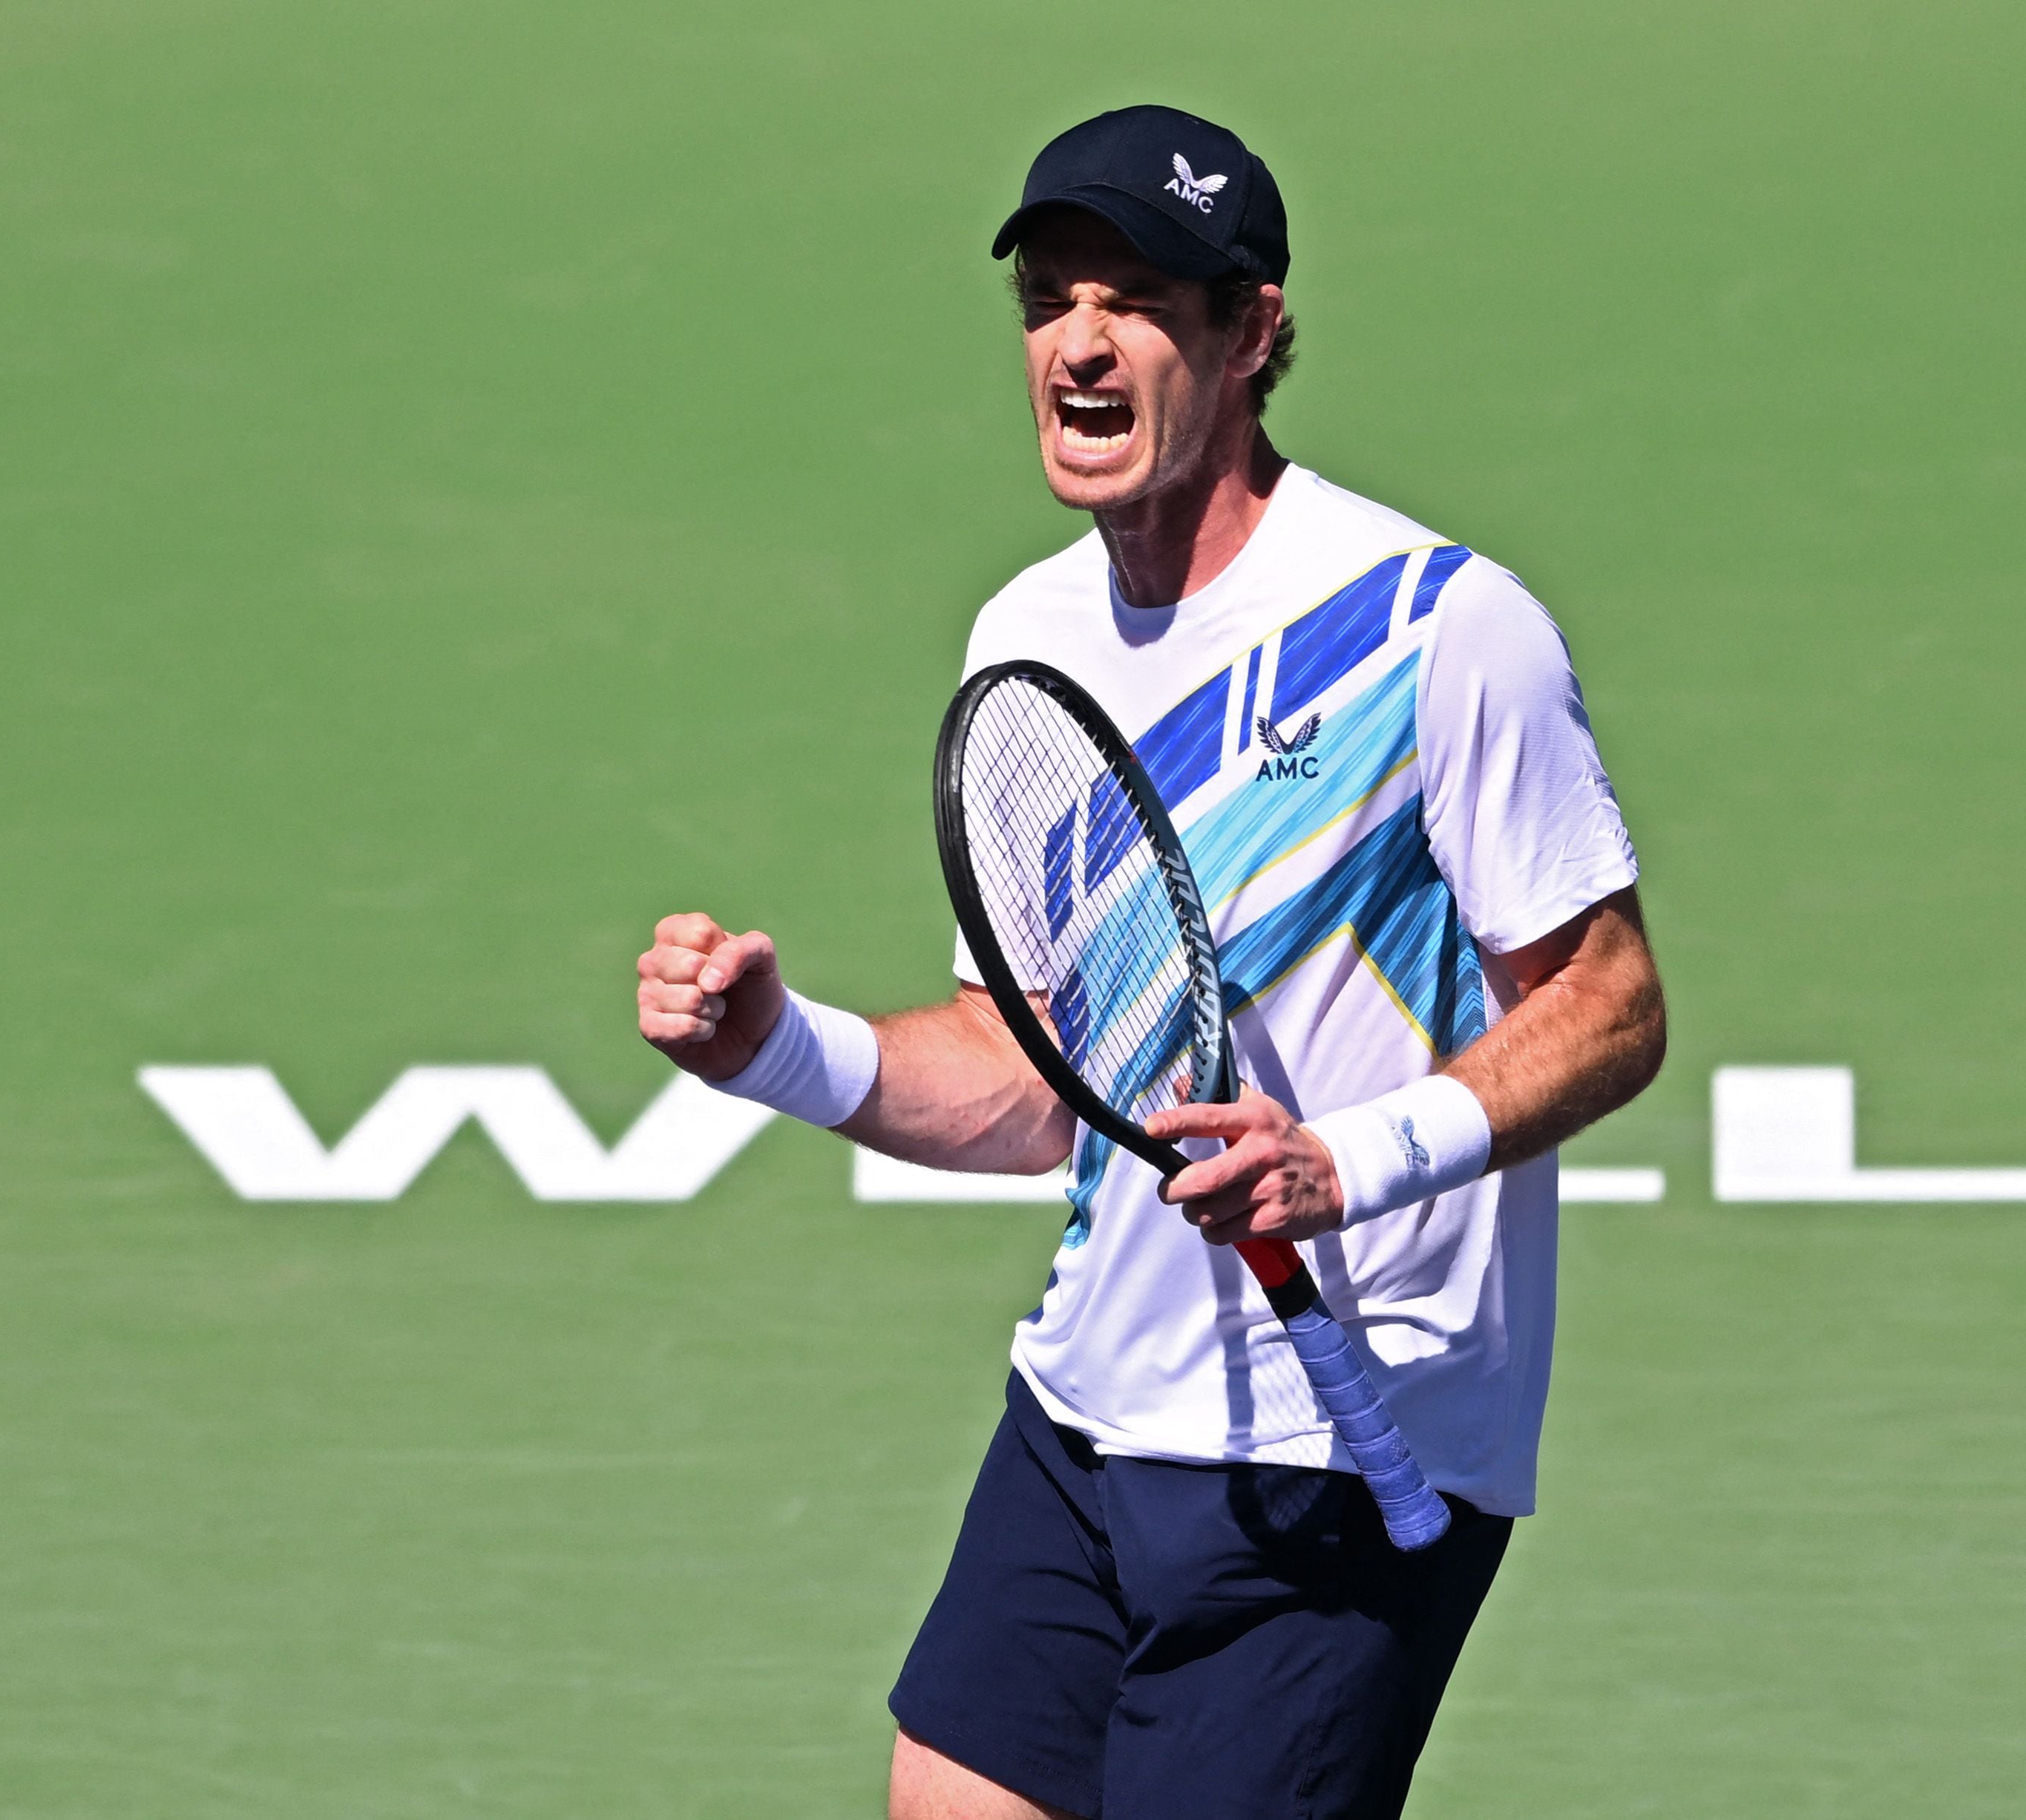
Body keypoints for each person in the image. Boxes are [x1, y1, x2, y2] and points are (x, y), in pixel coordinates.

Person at [634, 104, 1665, 1820]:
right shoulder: (1027, 637)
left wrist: (1352, 1156)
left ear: (1253, 330)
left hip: (1346, 1447)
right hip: (1090, 1405)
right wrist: (773, 1046)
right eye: (1052, 300)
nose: (1082, 345)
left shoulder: (1439, 625)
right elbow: (1032, 1079)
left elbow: (1613, 1003)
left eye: (1137, 302)